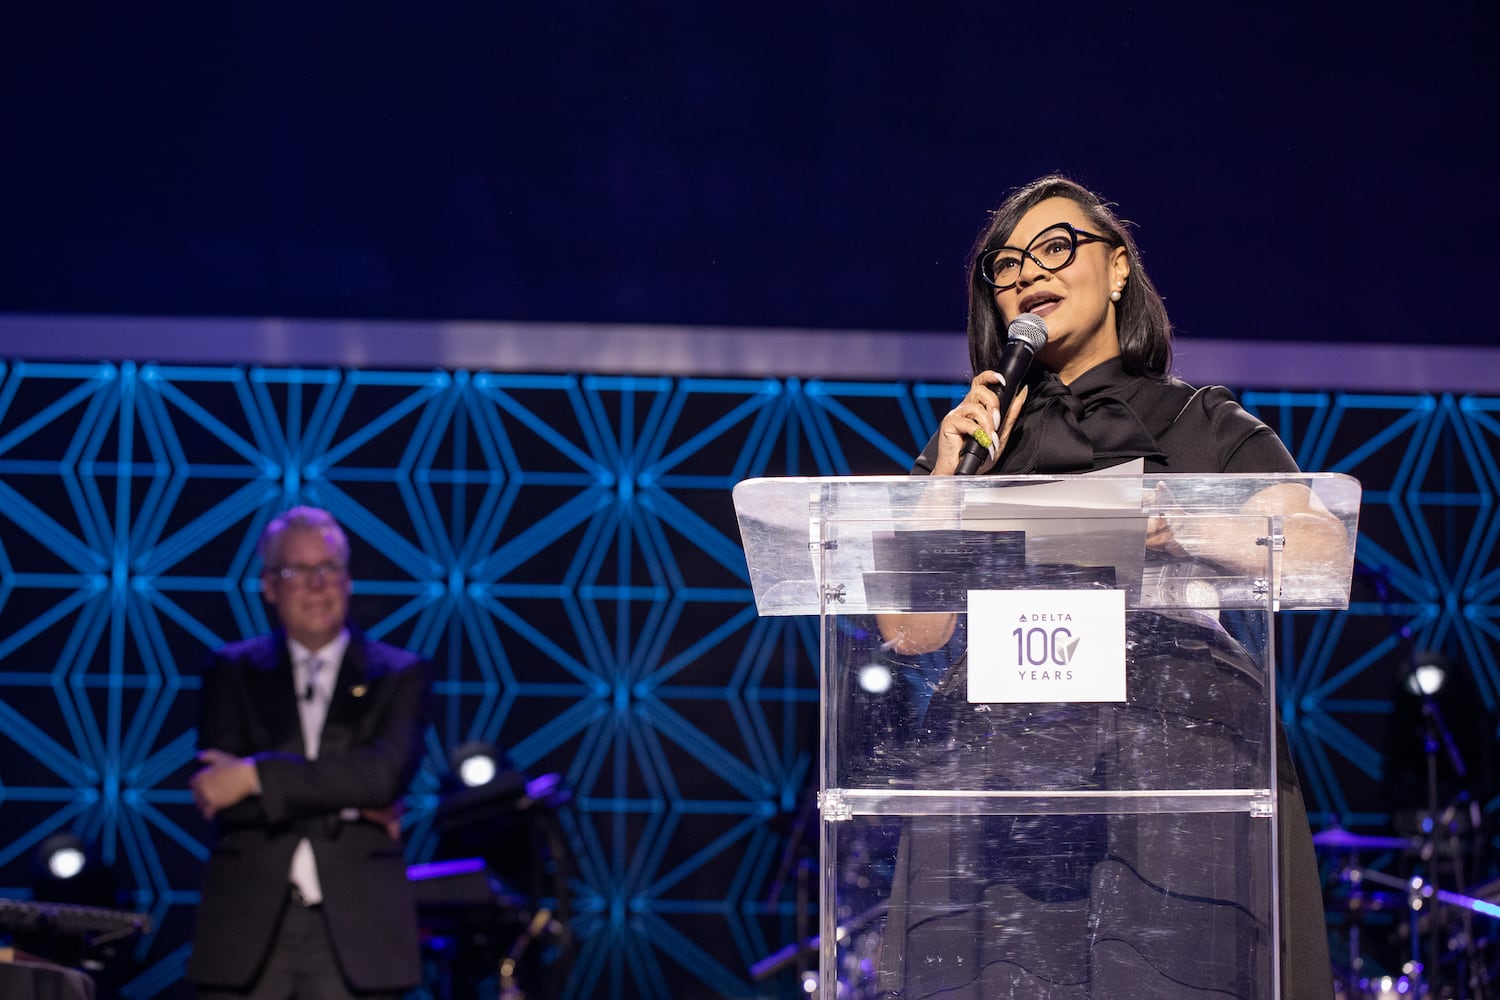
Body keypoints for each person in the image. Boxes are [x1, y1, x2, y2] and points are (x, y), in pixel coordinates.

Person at [872, 175, 1345, 998]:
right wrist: (946, 477)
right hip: (1004, 776)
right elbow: (911, 631)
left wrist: (1181, 521)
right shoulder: (974, 444)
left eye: (1057, 247)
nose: (1026, 273)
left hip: (1179, 762)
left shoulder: (1196, 420)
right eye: (1005, 264)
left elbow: (1316, 552)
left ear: (1118, 268)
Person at [187, 506, 431, 999]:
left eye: (329, 569)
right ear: (270, 586)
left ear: (348, 580)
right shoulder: (231, 671)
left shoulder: (400, 674)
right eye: (297, 571)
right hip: (248, 926)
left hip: (359, 929)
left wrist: (256, 775)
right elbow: (219, 790)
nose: (317, 585)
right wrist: (348, 797)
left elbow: (383, 778)